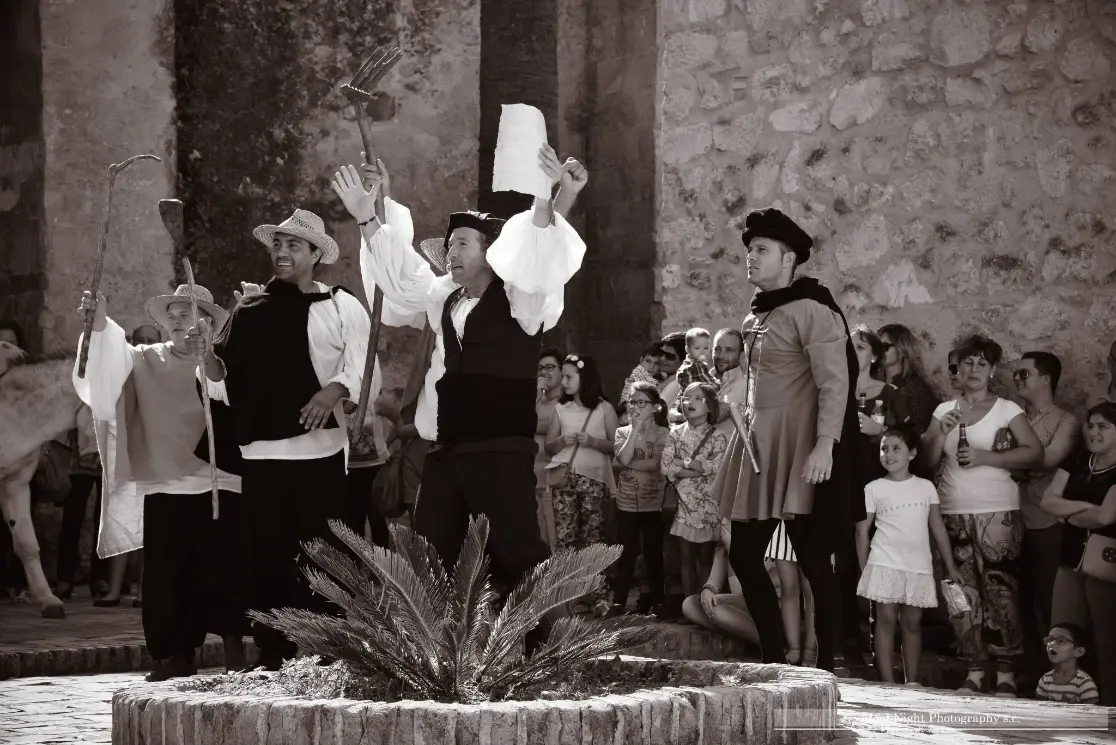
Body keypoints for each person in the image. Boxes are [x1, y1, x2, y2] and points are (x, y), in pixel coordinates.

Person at [336, 147, 588, 636]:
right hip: (448, 449)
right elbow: (401, 279)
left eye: (463, 244)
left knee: (518, 552)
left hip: (500, 447)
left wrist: (554, 197)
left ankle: (560, 647)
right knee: (428, 555)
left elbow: (538, 256)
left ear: (493, 253)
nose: (451, 252)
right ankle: (435, 655)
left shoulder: (521, 298)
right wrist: (369, 217)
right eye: (450, 244)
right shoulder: (444, 299)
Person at [201, 208, 372, 671]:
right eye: (277, 244)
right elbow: (221, 380)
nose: (281, 252)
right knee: (265, 554)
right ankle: (271, 651)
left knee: (324, 553)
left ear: (316, 254)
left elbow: (363, 366)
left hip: (321, 451)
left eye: (293, 245)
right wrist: (205, 355)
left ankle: (327, 650)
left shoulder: (340, 305)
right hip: (262, 454)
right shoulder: (248, 310)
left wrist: (332, 391)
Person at [712, 208, 863, 672]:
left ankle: (828, 666)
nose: (750, 258)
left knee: (815, 561)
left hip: (801, 447)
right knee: (744, 556)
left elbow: (835, 383)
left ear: (788, 258)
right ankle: (774, 658)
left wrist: (825, 445)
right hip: (759, 444)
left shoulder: (813, 310)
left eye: (761, 250)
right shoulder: (756, 314)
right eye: (748, 250)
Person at [73, 285, 245, 680]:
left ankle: (234, 649)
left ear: (207, 321)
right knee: (167, 576)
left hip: (219, 483)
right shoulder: (146, 359)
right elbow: (109, 360)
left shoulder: (225, 360)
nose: (179, 320)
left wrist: (209, 357)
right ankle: (173, 654)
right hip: (165, 482)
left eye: (188, 313)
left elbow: (236, 395)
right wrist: (99, 322)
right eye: (173, 314)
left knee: (222, 572)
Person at [922, 334, 1044, 697]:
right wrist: (939, 434)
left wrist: (985, 457)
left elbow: (1034, 453)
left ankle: (1006, 673)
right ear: (957, 368)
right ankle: (974, 670)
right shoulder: (944, 411)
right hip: (952, 512)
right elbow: (925, 462)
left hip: (998, 513)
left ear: (991, 370)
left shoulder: (1007, 409)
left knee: (1001, 592)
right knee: (959, 592)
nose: (974, 369)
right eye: (968, 362)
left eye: (982, 363)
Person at [855, 426, 961, 685]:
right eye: (884, 449)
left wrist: (950, 566)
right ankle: (888, 681)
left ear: (912, 453)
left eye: (896, 448)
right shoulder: (874, 488)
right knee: (886, 620)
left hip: (918, 565)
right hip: (884, 563)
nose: (889, 454)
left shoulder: (925, 488)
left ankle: (911, 682)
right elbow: (861, 531)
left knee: (913, 623)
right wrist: (865, 568)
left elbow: (937, 528)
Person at [1040, 402, 1116, 706]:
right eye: (1091, 425)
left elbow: (1105, 517)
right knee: (1061, 635)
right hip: (1069, 559)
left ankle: (1109, 708)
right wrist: (1084, 508)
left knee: (1107, 641)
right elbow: (1048, 501)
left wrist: (1067, 514)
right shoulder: (1079, 460)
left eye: (1103, 427)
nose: (1093, 432)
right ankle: (1062, 704)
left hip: (1105, 565)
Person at [1012, 351, 1079, 680]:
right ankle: (1025, 673)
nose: (1017, 379)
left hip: (1046, 520)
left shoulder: (1067, 422)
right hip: (1009, 520)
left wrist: (1008, 459)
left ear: (1045, 379)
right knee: (1015, 601)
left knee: (1048, 600)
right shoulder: (1013, 417)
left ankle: (1056, 676)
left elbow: (1049, 459)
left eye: (1024, 374)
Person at [544, 354, 617, 616]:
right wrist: (562, 441)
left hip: (594, 480)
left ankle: (598, 595)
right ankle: (566, 598)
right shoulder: (561, 409)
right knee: (565, 538)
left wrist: (593, 442)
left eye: (568, 376)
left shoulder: (604, 408)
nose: (563, 381)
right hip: (565, 478)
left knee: (594, 538)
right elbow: (549, 445)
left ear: (584, 378)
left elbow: (616, 445)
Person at [664, 382, 728, 610]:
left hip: (709, 505)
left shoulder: (718, 436)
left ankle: (705, 607)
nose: (689, 402)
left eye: (697, 398)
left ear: (709, 406)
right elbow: (666, 466)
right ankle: (688, 605)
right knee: (685, 558)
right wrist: (696, 468)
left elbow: (717, 467)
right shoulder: (675, 433)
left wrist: (685, 463)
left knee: (706, 556)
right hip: (684, 504)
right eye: (685, 397)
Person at [609, 381, 669, 616]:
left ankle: (659, 602)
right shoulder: (622, 432)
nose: (635, 407)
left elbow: (655, 464)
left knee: (653, 554)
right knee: (626, 554)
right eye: (632, 402)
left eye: (641, 402)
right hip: (626, 503)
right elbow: (622, 459)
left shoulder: (663, 433)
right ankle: (618, 603)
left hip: (653, 503)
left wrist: (626, 463)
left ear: (655, 407)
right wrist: (634, 431)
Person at [684, 519, 762, 649]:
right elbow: (714, 580)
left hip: (766, 607)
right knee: (689, 604)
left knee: (717, 609)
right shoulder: (723, 548)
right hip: (742, 606)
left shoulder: (758, 539)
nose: (723, 523)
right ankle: (744, 632)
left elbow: (755, 586)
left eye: (728, 519)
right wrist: (708, 590)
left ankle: (768, 643)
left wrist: (734, 549)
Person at [535, 347, 565, 549]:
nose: (544, 372)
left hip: (554, 479)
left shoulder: (567, 401)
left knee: (556, 537)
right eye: (540, 368)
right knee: (538, 538)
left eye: (550, 367)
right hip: (531, 476)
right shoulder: (536, 400)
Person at [1034, 623, 1099, 704]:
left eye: (1060, 641)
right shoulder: (1045, 680)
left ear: (1079, 652)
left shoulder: (1084, 683)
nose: (1051, 644)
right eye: (1050, 639)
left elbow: (1091, 711)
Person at [671, 328, 718, 413]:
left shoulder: (691, 364)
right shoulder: (694, 366)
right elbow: (708, 384)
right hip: (692, 403)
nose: (702, 352)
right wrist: (718, 384)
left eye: (706, 348)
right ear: (687, 349)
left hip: (685, 401)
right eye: (697, 348)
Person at [620, 343, 663, 411]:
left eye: (656, 363)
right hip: (627, 410)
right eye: (648, 361)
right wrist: (672, 378)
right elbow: (656, 389)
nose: (651, 366)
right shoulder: (638, 371)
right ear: (641, 360)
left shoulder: (656, 376)